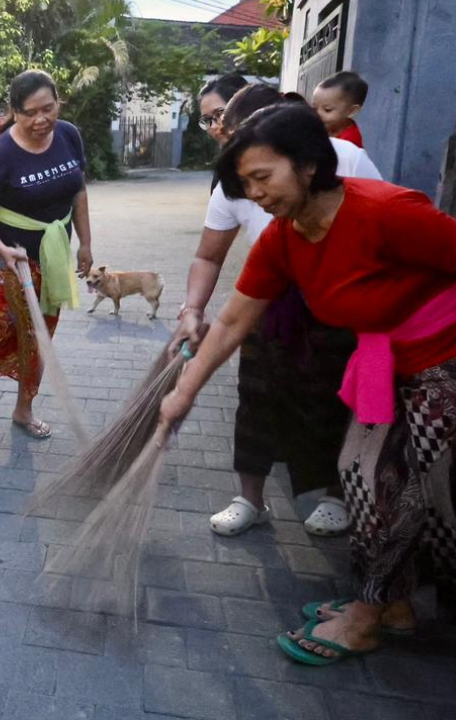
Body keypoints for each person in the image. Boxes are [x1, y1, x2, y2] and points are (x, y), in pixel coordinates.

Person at [160, 103, 456, 665]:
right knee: (360, 473)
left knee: (389, 483)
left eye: (263, 177)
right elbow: (232, 322)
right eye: (245, 183)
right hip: (387, 363)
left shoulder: (388, 212)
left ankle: (365, 619)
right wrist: (182, 393)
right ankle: (392, 606)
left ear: (309, 164)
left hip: (444, 357)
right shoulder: (284, 238)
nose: (255, 193)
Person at [173, 84, 383, 538]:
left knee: (334, 400)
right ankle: (250, 498)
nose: (254, 190)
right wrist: (193, 310)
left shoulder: (349, 164)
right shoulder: (243, 192)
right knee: (256, 399)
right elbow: (208, 258)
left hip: (343, 304)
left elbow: (393, 240)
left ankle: (334, 495)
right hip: (268, 299)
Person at [0, 70, 94, 447]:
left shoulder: (68, 135)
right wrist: (1, 249)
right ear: (14, 112)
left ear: (58, 103)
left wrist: (85, 243)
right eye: (30, 112)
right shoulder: (1, 155)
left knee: (40, 336)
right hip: (8, 259)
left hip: (52, 256)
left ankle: (24, 410)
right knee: (0, 333)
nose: (41, 119)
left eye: (48, 108)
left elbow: (78, 191)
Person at [311, 70, 367, 148]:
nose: (317, 114)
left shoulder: (349, 143)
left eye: (327, 110)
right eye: (314, 108)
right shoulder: (328, 126)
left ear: (351, 111)